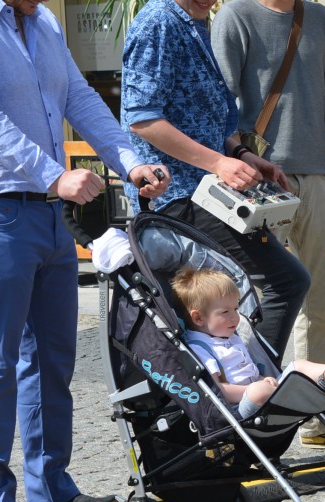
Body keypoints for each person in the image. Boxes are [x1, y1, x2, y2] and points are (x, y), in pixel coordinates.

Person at [0, 0, 170, 502]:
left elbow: (79, 98)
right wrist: (54, 174)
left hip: (48, 215)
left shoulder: (42, 21)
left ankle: (50, 485)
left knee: (52, 358)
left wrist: (128, 161)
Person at [123, 0, 311, 363]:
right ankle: (257, 388)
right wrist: (218, 163)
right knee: (285, 281)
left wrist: (240, 155)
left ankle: (238, 388)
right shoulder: (158, 22)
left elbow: (209, 121)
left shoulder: (195, 21)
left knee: (217, 303)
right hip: (176, 197)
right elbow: (143, 119)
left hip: (206, 191)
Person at [212, 0, 325, 447]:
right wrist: (232, 162)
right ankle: (258, 417)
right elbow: (218, 101)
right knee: (257, 305)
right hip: (257, 178)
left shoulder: (322, 19)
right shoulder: (235, 15)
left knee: (321, 302)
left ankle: (320, 417)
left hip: (315, 174)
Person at [172, 267, 325, 417]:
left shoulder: (230, 337)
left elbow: (249, 373)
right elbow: (219, 389)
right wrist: (254, 387)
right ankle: (313, 389)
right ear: (198, 318)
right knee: (260, 391)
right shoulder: (200, 347)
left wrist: (261, 380)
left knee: (297, 366)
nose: (236, 317)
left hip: (263, 391)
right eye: (226, 312)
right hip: (236, 408)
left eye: (236, 308)